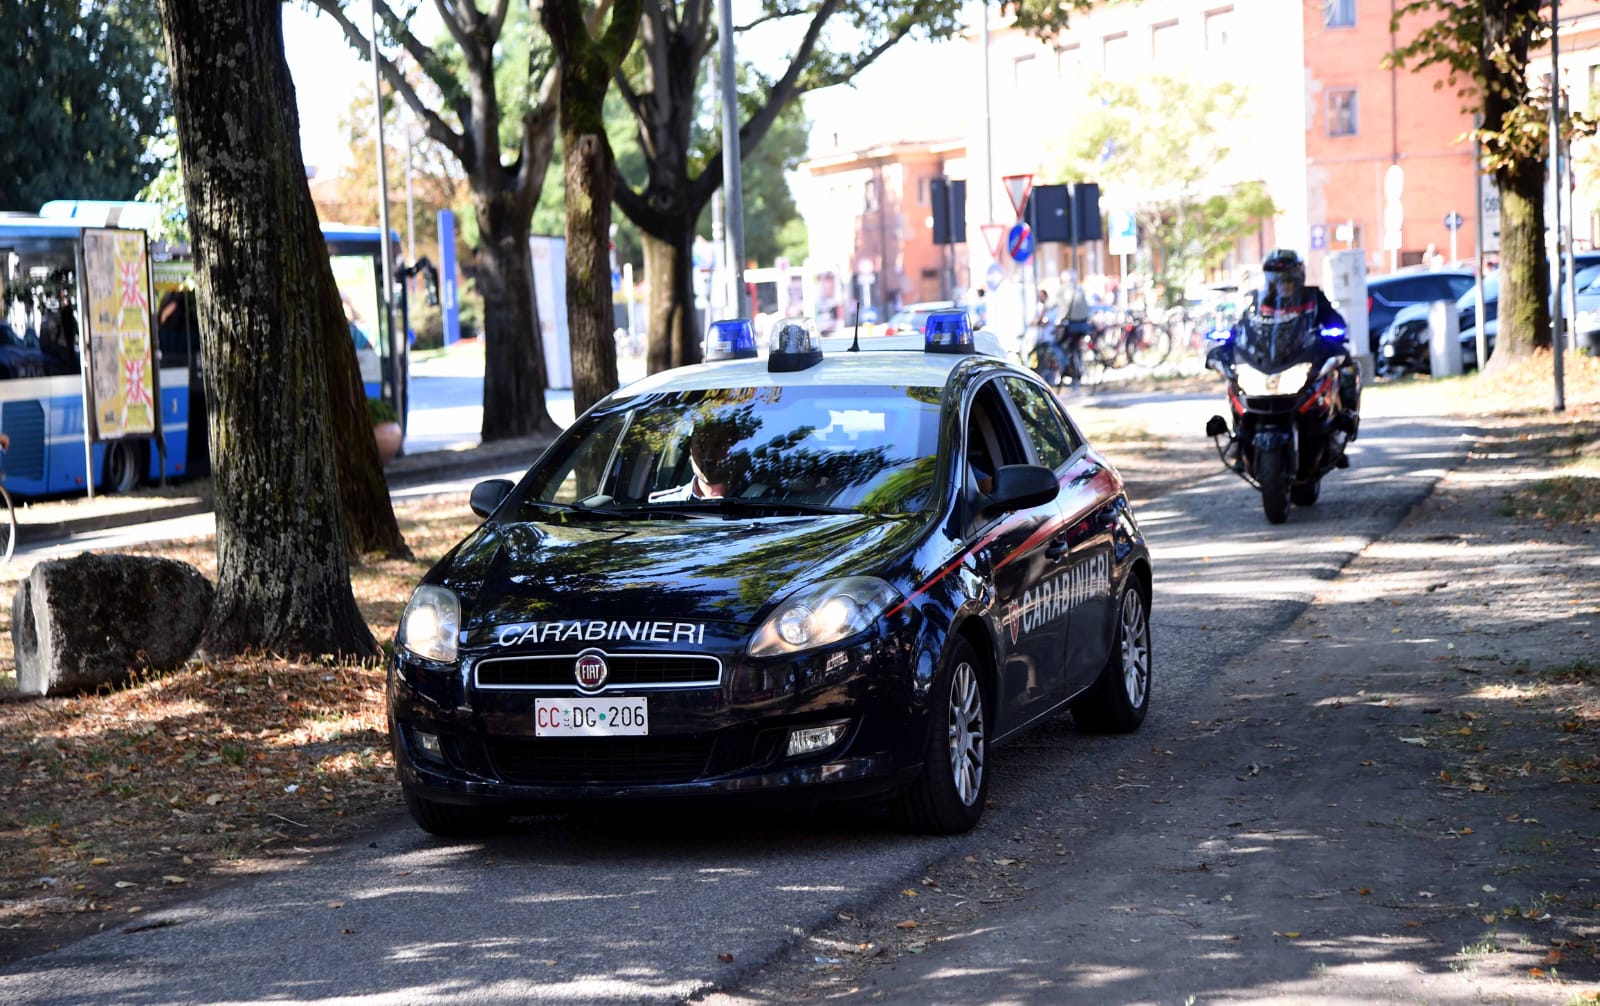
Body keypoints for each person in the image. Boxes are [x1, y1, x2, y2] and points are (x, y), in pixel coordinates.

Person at [1250, 248, 1361, 426]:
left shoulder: (1313, 296)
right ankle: (1240, 427)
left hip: (1308, 353)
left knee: (1347, 363)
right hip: (1271, 359)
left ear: (1297, 278)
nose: (1283, 285)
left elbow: (1334, 320)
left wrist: (1334, 331)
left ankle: (1347, 414)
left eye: (1287, 280)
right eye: (1277, 280)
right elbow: (1246, 326)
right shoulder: (1260, 303)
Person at [649, 420, 740, 501]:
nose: (708, 456)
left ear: (732, 449)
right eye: (701, 446)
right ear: (690, 449)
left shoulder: (751, 501)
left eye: (718, 446)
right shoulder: (664, 505)